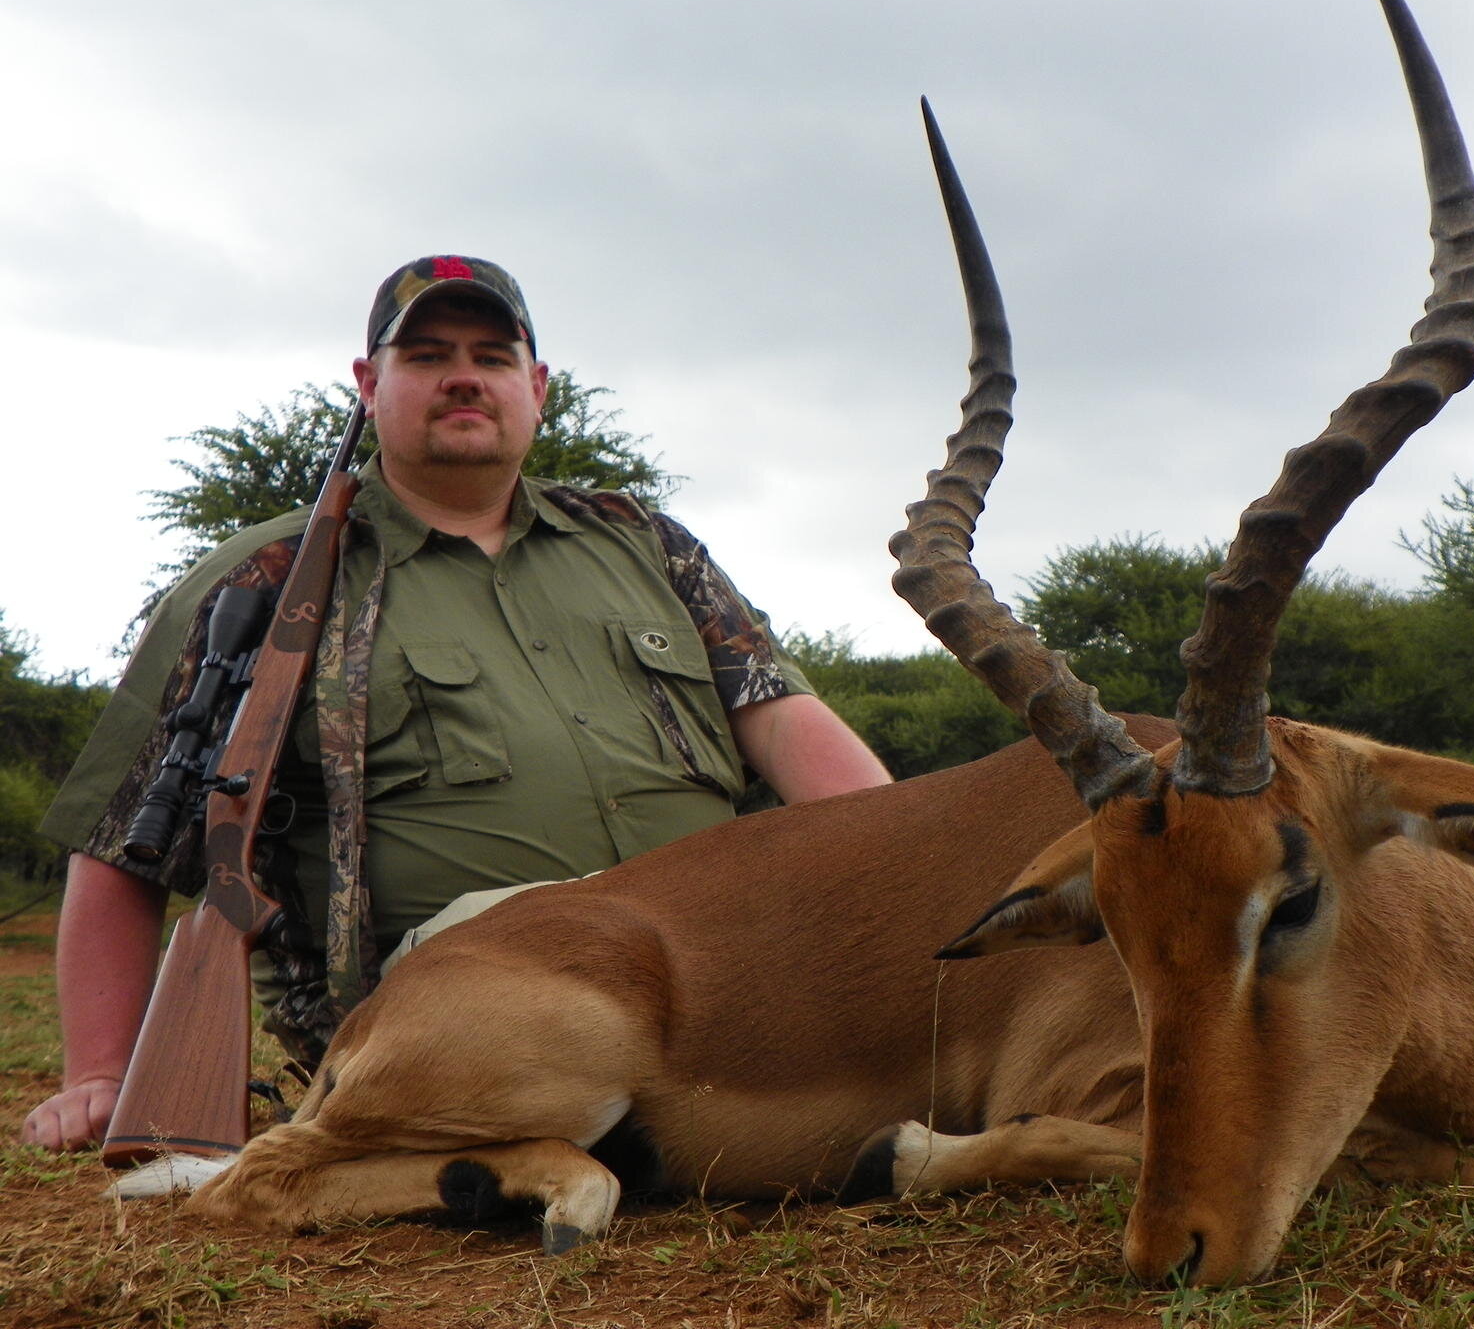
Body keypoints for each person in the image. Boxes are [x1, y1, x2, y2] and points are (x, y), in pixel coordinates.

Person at [22, 255, 892, 1151]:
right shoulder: (261, 585)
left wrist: (911, 878)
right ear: (369, 386)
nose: (465, 377)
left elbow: (787, 723)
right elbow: (124, 837)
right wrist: (100, 1078)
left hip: (715, 958)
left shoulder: (647, 544)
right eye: (428, 356)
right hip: (465, 999)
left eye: (493, 355)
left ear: (538, 386)